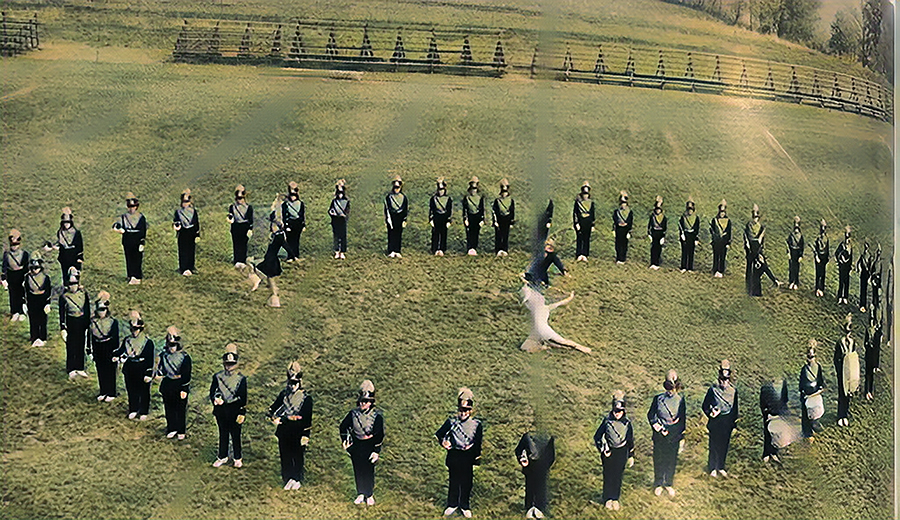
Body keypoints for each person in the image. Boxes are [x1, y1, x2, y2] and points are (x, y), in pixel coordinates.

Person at [435, 387, 483, 518]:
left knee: (466, 482)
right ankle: (452, 504)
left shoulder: (476, 424)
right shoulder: (451, 422)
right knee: (454, 480)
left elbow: (478, 442)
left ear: (471, 411)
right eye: (461, 410)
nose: (463, 413)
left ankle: (465, 505)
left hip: (467, 456)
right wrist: (443, 442)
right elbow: (439, 434)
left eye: (466, 410)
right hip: (454, 455)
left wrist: (474, 454)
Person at [268, 361, 313, 490]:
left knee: (297, 455)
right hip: (284, 430)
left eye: (295, 383)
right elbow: (272, 409)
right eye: (290, 383)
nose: (292, 386)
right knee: (285, 455)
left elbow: (307, 420)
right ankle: (288, 478)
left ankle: (297, 478)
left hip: (298, 431)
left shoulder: (306, 398)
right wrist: (274, 419)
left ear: (299, 382)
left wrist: (306, 435)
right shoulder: (283, 395)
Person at [339, 380, 384, 506]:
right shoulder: (353, 414)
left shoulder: (377, 416)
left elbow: (379, 435)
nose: (363, 404)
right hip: (357, 445)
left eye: (366, 401)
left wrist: (376, 451)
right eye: (362, 401)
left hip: (369, 445)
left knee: (368, 470)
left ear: (371, 403)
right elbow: (343, 427)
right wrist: (346, 441)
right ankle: (360, 493)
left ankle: (369, 494)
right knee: (358, 469)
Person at [519, 282, 590, 353]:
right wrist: (570, 297)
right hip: (536, 330)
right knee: (524, 348)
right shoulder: (541, 307)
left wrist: (570, 297)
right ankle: (545, 346)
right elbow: (562, 302)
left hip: (544, 330)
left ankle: (582, 348)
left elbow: (562, 303)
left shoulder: (544, 307)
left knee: (562, 342)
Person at [647, 370, 686, 497]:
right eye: (668, 388)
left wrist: (680, 437)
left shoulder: (680, 400)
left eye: (672, 388)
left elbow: (682, 420)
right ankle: (658, 483)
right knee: (659, 459)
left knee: (671, 460)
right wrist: (658, 428)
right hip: (659, 435)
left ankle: (668, 483)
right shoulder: (658, 399)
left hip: (673, 436)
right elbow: (651, 415)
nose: (670, 391)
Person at [593, 391, 633, 511]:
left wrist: (630, 455)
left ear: (623, 411)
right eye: (615, 411)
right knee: (608, 475)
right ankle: (607, 498)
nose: (617, 414)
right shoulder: (606, 421)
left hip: (621, 452)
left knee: (617, 476)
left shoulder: (627, 423)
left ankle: (615, 498)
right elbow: (597, 437)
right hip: (608, 452)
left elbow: (630, 440)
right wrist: (603, 449)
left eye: (620, 412)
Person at [211, 344, 247, 468]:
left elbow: (243, 398)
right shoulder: (218, 377)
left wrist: (242, 413)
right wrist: (216, 398)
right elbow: (213, 391)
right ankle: (222, 456)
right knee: (223, 433)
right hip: (222, 410)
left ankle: (237, 457)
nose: (229, 367)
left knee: (236, 435)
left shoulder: (241, 379)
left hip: (234, 410)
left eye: (231, 364)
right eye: (227, 364)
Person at [114, 311, 154, 420]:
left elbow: (150, 359)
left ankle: (144, 410)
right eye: (132, 329)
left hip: (142, 368)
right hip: (130, 367)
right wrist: (115, 355)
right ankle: (133, 408)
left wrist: (148, 373)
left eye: (136, 329)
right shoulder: (128, 340)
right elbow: (121, 350)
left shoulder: (147, 342)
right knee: (131, 389)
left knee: (144, 391)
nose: (134, 332)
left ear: (140, 329)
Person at [702, 360, 738, 477]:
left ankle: (721, 466)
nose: (724, 382)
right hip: (715, 421)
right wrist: (710, 412)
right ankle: (712, 467)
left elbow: (735, 410)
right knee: (714, 445)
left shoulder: (733, 391)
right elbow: (705, 405)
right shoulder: (713, 390)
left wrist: (733, 424)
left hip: (726, 422)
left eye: (726, 380)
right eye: (722, 379)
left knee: (724, 445)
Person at [155, 326, 192, 440]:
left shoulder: (184, 357)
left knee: (180, 409)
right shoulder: (164, 356)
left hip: (179, 384)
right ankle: (172, 428)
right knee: (169, 408)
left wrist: (184, 389)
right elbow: (162, 369)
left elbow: (186, 375)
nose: (172, 348)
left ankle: (181, 430)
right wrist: (158, 374)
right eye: (170, 345)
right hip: (168, 384)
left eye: (174, 345)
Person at [250, 200, 286, 308]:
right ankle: (274, 299)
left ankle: (274, 299)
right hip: (272, 259)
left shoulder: (278, 237)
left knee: (265, 275)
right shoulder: (276, 236)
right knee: (270, 279)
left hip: (270, 260)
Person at [59, 266, 90, 380]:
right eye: (71, 284)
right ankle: (71, 368)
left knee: (81, 344)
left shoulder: (83, 294)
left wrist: (87, 323)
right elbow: (62, 313)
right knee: (71, 345)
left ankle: (80, 367)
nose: (73, 286)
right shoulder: (64, 297)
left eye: (75, 283)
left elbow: (87, 309)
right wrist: (63, 327)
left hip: (81, 321)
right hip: (71, 322)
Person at [88, 290, 119, 402]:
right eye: (100, 310)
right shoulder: (93, 322)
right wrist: (90, 350)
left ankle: (111, 392)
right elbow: (90, 336)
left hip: (109, 347)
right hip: (98, 347)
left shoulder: (112, 322)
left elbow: (115, 338)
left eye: (104, 310)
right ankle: (103, 390)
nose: (102, 312)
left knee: (110, 370)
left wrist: (116, 353)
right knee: (100, 370)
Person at [517, 431, 555, 518]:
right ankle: (533, 507)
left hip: (535, 469)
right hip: (534, 469)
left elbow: (551, 456)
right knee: (534, 487)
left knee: (536, 488)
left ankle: (535, 508)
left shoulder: (529, 437)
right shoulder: (529, 437)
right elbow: (551, 457)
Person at [113, 192, 147, 285]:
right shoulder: (124, 217)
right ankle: (131, 275)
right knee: (129, 258)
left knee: (137, 258)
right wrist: (119, 229)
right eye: (130, 207)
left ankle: (137, 276)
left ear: (136, 206)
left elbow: (143, 231)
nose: (132, 209)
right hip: (127, 239)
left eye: (133, 206)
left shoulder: (141, 217)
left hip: (137, 239)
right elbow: (117, 225)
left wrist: (142, 242)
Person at [834, 314, 858, 426]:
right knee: (841, 393)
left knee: (848, 394)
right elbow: (836, 358)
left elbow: (854, 358)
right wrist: (839, 369)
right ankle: (840, 415)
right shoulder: (840, 342)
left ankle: (845, 415)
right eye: (846, 331)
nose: (848, 334)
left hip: (850, 372)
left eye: (849, 332)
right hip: (841, 371)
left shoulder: (853, 343)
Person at [759, 378, 791, 462]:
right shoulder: (766, 388)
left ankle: (774, 452)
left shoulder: (783, 384)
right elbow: (762, 403)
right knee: (768, 434)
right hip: (769, 414)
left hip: (779, 413)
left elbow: (785, 399)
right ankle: (766, 454)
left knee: (777, 435)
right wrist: (766, 413)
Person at [799, 341, 825, 437]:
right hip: (806, 396)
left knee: (814, 418)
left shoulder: (818, 368)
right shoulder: (804, 369)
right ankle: (808, 434)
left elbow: (821, 382)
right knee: (805, 417)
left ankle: (815, 429)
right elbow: (801, 384)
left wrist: (818, 391)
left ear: (815, 357)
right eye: (809, 357)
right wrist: (803, 394)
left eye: (812, 357)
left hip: (815, 395)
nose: (810, 360)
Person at [23, 254, 51, 346]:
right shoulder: (27, 277)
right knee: (33, 319)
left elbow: (48, 291)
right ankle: (34, 337)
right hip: (32, 300)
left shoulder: (45, 278)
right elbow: (26, 291)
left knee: (42, 319)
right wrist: (24, 302)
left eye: (37, 267)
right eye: (33, 268)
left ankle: (43, 337)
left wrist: (48, 303)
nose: (35, 270)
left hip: (42, 299)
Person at [49, 207, 84, 280]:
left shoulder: (76, 233)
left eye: (68, 222)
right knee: (65, 275)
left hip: (74, 257)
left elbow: (79, 247)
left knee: (74, 274)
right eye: (65, 222)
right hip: (64, 257)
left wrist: (79, 257)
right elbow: (60, 245)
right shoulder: (60, 232)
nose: (66, 224)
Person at [2, 229, 29, 321]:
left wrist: (26, 278)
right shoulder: (7, 254)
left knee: (21, 293)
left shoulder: (24, 254)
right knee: (12, 294)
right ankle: (14, 311)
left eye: (16, 245)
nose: (14, 247)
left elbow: (26, 267)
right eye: (12, 245)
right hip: (11, 275)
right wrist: (3, 278)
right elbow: (4, 267)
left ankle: (22, 312)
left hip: (21, 275)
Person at [173, 189, 200, 276]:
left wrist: (197, 234)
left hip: (191, 232)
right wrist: (177, 226)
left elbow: (196, 223)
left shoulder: (193, 211)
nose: (185, 204)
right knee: (183, 250)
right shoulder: (178, 212)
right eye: (184, 202)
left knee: (191, 250)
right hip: (183, 233)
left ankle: (191, 266)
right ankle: (183, 268)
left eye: (187, 201)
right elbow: (176, 221)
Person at [227, 184, 254, 268]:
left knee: (243, 244)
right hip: (235, 226)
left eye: (241, 198)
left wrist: (250, 229)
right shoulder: (232, 207)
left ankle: (242, 260)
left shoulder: (248, 207)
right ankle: (237, 260)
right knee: (236, 243)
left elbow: (250, 219)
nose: (239, 200)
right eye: (238, 198)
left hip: (244, 227)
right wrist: (229, 218)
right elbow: (231, 215)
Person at [384, 176, 408, 258]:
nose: (396, 189)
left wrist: (404, 219)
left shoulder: (403, 197)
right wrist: (388, 219)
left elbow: (405, 209)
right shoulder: (389, 197)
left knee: (398, 233)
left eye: (398, 187)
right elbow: (387, 208)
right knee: (391, 233)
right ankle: (391, 250)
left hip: (400, 217)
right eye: (395, 187)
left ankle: (397, 250)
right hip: (391, 217)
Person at [282, 181, 306, 262]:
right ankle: (290, 256)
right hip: (290, 223)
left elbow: (302, 215)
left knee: (296, 240)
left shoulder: (300, 204)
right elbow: (285, 216)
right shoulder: (286, 204)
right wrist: (287, 225)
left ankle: (296, 255)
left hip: (297, 224)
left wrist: (303, 225)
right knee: (290, 240)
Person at [743, 204, 765, 294]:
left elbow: (762, 240)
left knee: (757, 267)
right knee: (749, 266)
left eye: (757, 217)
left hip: (757, 248)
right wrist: (747, 245)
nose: (755, 219)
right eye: (754, 217)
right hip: (750, 248)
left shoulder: (761, 227)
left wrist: (761, 249)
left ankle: (755, 286)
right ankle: (748, 283)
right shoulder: (748, 226)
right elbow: (746, 236)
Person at [491, 179, 515, 257]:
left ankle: (505, 249)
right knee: (498, 235)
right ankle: (498, 249)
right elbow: (494, 211)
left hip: (507, 220)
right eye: (503, 192)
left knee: (505, 235)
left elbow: (512, 211)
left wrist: (511, 222)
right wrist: (495, 221)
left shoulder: (511, 201)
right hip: (499, 219)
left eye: (505, 192)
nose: (504, 194)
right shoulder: (497, 201)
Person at [429, 178, 452, 256]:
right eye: (439, 189)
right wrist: (431, 219)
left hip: (444, 218)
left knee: (443, 234)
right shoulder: (433, 199)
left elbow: (449, 210)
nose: (440, 191)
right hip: (436, 217)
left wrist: (449, 220)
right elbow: (431, 209)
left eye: (442, 189)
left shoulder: (448, 199)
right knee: (435, 233)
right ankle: (435, 248)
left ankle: (442, 248)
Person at [462, 177, 485, 256]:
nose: (473, 191)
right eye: (472, 189)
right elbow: (465, 209)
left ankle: (474, 247)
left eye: (475, 189)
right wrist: (465, 219)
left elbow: (482, 209)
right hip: (469, 217)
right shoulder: (467, 198)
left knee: (476, 232)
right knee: (469, 233)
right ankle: (469, 247)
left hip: (477, 217)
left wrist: (482, 219)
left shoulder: (480, 198)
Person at [572, 181, 595, 262]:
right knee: (579, 238)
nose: (585, 195)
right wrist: (576, 223)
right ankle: (579, 254)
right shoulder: (578, 202)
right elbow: (575, 213)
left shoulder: (591, 202)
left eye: (587, 193)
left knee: (586, 238)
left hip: (587, 222)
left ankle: (585, 254)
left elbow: (592, 214)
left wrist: (592, 224)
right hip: (580, 221)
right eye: (584, 193)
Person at [863, 311, 883, 401]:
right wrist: (868, 345)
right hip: (868, 356)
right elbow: (865, 342)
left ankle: (870, 391)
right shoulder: (868, 331)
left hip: (873, 357)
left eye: (873, 322)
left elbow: (877, 348)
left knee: (871, 376)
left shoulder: (877, 333)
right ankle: (866, 391)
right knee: (868, 375)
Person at [709, 200, 731, 278]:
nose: (722, 214)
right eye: (721, 212)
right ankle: (715, 269)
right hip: (716, 242)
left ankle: (721, 270)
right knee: (716, 256)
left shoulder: (728, 221)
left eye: (723, 212)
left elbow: (729, 232)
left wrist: (728, 243)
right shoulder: (714, 220)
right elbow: (712, 231)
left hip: (724, 242)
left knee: (722, 257)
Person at [328, 180, 350, 259]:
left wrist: (344, 216)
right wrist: (332, 213)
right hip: (335, 219)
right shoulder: (334, 201)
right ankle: (337, 251)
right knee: (336, 236)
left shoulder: (346, 201)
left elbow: (347, 211)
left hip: (342, 220)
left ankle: (342, 251)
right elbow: (330, 210)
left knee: (343, 236)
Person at [678, 199, 700, 272]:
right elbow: (681, 227)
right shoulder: (683, 217)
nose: (690, 211)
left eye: (691, 210)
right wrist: (682, 235)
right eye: (689, 210)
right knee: (684, 251)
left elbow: (697, 228)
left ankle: (690, 267)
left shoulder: (696, 218)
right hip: (685, 234)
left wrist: (696, 238)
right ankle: (683, 266)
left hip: (692, 235)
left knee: (691, 252)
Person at [612, 191, 632, 264]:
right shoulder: (616, 211)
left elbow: (630, 222)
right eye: (622, 203)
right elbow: (615, 221)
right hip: (619, 229)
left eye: (624, 203)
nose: (623, 205)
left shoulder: (629, 212)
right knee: (618, 244)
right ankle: (618, 258)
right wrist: (614, 229)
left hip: (625, 229)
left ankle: (623, 258)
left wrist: (629, 231)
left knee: (624, 244)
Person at [647, 196, 667, 270]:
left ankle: (657, 263)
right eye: (657, 210)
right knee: (653, 249)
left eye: (659, 210)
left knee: (658, 249)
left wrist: (663, 236)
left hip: (660, 234)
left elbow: (665, 228)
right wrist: (649, 234)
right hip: (654, 233)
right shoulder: (652, 217)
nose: (658, 211)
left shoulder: (663, 218)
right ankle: (653, 262)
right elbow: (650, 226)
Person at [835, 226, 853, 305]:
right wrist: (840, 260)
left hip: (847, 267)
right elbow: (836, 253)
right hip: (842, 266)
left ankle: (845, 297)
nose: (847, 240)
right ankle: (840, 297)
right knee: (841, 282)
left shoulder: (850, 247)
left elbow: (851, 257)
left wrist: (850, 266)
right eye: (846, 238)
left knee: (846, 282)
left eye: (848, 238)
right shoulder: (841, 245)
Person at [786, 216, 804, 290]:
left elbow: (802, 246)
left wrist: (800, 256)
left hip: (797, 252)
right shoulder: (791, 235)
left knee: (796, 268)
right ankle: (791, 282)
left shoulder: (800, 237)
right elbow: (788, 244)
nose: (796, 230)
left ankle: (796, 282)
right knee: (791, 268)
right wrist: (788, 252)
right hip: (792, 252)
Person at [813, 219, 829, 297]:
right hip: (818, 257)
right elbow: (816, 249)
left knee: (822, 274)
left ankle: (821, 288)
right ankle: (817, 288)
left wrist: (826, 259)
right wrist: (816, 257)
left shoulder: (826, 239)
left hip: (823, 259)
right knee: (818, 274)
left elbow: (827, 249)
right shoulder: (818, 239)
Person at [857, 241, 871, 312]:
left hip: (867, 274)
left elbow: (870, 266)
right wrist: (859, 269)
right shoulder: (863, 256)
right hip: (863, 274)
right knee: (862, 290)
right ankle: (862, 304)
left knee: (865, 290)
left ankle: (864, 305)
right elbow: (859, 263)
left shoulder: (869, 257)